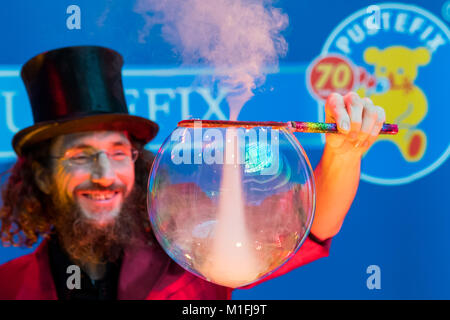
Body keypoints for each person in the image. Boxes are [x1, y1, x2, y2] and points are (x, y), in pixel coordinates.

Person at [0, 46, 385, 300]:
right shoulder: (9, 285)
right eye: (81, 157)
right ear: (43, 176)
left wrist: (344, 154)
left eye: (119, 153)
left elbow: (312, 224)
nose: (105, 175)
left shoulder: (190, 249)